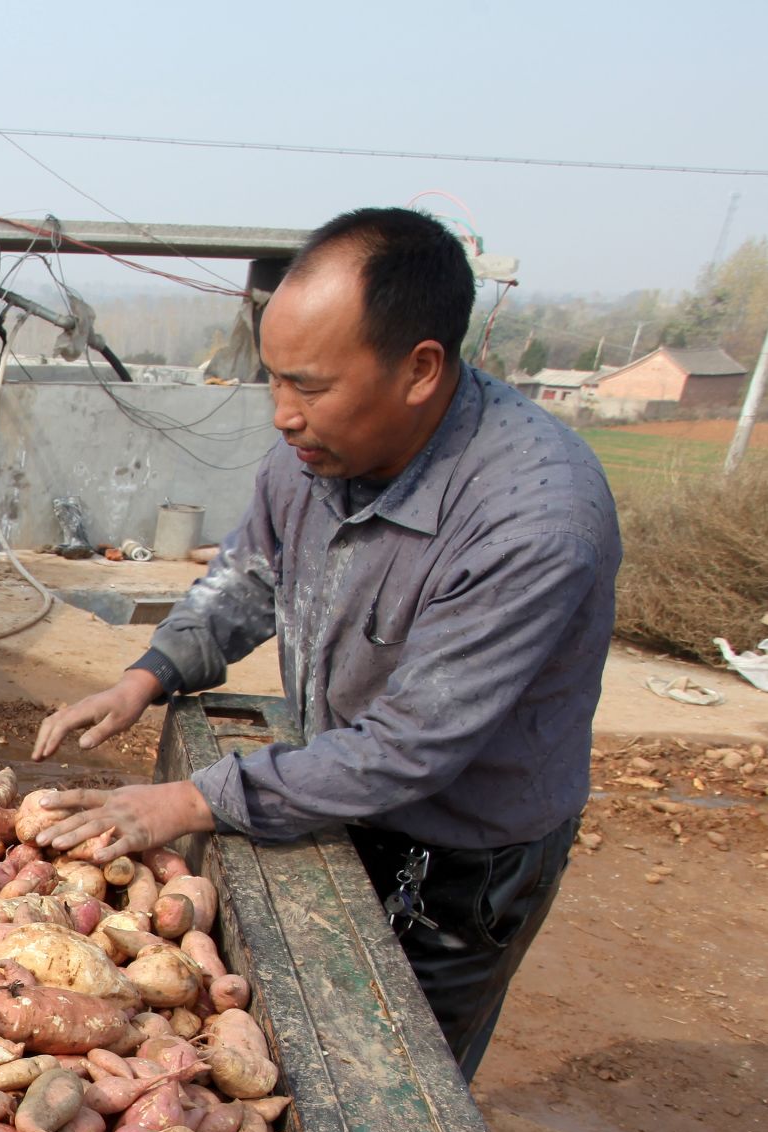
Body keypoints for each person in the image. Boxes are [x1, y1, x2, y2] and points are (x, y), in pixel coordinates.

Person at [30, 207, 620, 1079]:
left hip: (462, 857)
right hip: (332, 789)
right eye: (271, 380)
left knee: (399, 1081)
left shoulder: (531, 519)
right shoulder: (318, 454)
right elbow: (247, 580)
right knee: (304, 1049)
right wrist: (147, 675)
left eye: (307, 385)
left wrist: (188, 802)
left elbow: (408, 747)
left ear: (419, 369)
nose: (281, 416)